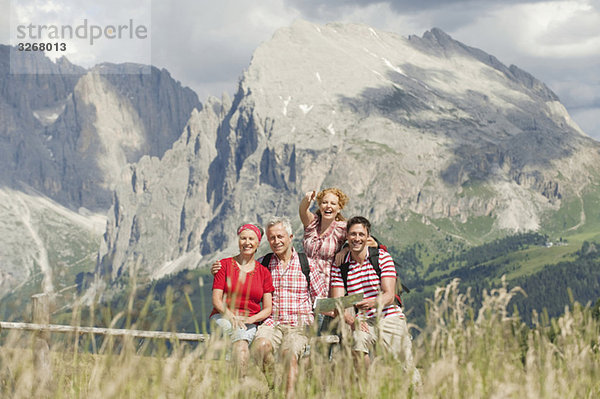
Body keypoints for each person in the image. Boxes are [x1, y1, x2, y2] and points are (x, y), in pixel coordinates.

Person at [330, 216, 416, 377]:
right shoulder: (341, 266)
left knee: (406, 367)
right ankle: (367, 387)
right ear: (347, 237)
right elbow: (337, 302)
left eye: (361, 235)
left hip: (389, 316)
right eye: (353, 234)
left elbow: (389, 295)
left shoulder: (382, 257)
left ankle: (416, 390)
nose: (357, 238)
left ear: (368, 236)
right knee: (357, 341)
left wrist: (372, 303)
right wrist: (351, 320)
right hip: (364, 321)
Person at [252, 216, 327, 397]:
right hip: (272, 323)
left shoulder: (307, 264)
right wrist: (220, 267)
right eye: (272, 238)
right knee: (261, 346)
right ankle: (274, 386)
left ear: (290, 236)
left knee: (288, 354)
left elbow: (321, 299)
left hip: (299, 325)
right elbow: (241, 270)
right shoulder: (263, 263)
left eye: (280, 236)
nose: (276, 241)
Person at [210, 223, 274, 377]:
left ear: (258, 243)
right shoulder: (224, 265)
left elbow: (267, 308)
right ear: (238, 241)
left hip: (249, 320)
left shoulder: (264, 272)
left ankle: (272, 387)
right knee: (240, 340)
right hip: (223, 316)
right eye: (243, 238)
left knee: (245, 342)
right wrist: (231, 316)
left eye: (251, 239)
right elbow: (217, 300)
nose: (247, 242)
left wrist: (250, 319)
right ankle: (241, 387)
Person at [299, 188, 349, 291]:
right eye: (324, 202)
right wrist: (306, 199)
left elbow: (361, 240)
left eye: (333, 203)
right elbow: (303, 211)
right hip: (304, 283)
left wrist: (346, 249)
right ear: (320, 205)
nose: (328, 206)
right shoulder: (312, 223)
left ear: (339, 208)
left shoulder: (342, 228)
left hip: (328, 284)